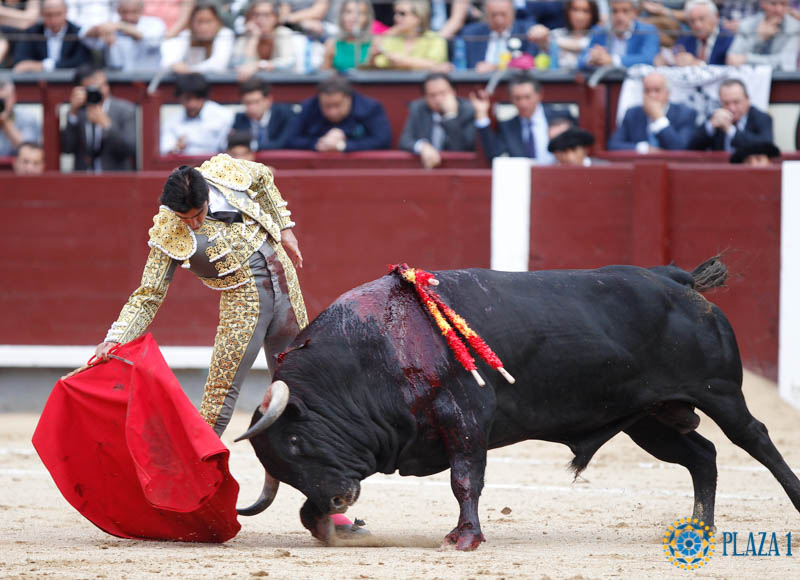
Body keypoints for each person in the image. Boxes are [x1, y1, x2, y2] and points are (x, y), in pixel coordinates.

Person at [94, 155, 307, 436]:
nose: (193, 224)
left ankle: (305, 466)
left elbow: (264, 177)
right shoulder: (170, 230)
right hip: (243, 302)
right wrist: (116, 338)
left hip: (285, 282)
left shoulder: (224, 173)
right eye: (186, 218)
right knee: (219, 397)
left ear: (207, 196)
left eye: (198, 214)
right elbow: (149, 294)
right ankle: (195, 473)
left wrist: (285, 228)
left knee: (301, 382)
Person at [61, 65, 137, 172]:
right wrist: (73, 113)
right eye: (92, 88)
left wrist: (108, 125)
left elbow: (130, 149)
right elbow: (67, 148)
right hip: (83, 180)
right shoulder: (78, 111)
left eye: (102, 85)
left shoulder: (126, 110)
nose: (100, 91)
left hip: (115, 180)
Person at [285, 75, 392, 151]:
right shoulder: (308, 106)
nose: (332, 112)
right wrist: (318, 143)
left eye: (337, 105)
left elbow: (382, 141)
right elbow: (289, 139)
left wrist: (342, 146)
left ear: (349, 98)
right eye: (326, 106)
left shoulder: (370, 108)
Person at [469, 72, 554, 163]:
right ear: (511, 99)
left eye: (527, 97)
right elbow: (493, 153)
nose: (523, 103)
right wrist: (482, 114)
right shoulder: (507, 127)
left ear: (539, 95)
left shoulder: (560, 117)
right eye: (517, 98)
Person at [398, 72, 475, 169]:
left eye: (443, 93)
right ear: (425, 97)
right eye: (432, 95)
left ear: (453, 92)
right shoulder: (418, 108)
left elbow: (461, 149)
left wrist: (450, 117)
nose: (438, 99)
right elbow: (405, 141)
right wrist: (423, 146)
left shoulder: (468, 110)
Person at [607, 72, 696, 152]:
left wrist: (659, 118)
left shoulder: (685, 113)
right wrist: (644, 148)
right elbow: (613, 145)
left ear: (668, 94)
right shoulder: (632, 113)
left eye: (657, 90)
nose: (652, 95)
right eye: (647, 91)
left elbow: (679, 148)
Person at [688, 78, 773, 151]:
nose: (732, 108)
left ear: (747, 99)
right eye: (726, 103)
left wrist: (730, 130)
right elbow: (691, 147)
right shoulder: (716, 116)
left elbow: (767, 146)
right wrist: (710, 125)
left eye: (736, 102)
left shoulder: (762, 118)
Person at [79, 0, 166, 72]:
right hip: (119, 82)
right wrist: (100, 30)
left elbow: (153, 42)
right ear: (118, 10)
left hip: (147, 79)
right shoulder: (111, 26)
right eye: (124, 12)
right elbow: (83, 36)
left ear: (141, 10)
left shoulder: (154, 23)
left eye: (134, 12)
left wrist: (121, 27)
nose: (129, 17)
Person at [160, 73, 234, 155]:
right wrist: (176, 148)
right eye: (187, 98)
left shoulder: (224, 115)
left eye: (197, 98)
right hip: (182, 166)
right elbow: (165, 151)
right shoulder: (171, 121)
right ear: (179, 98)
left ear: (205, 97)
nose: (193, 104)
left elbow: (230, 149)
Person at [369, 0, 449, 71]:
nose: (396, 17)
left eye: (402, 14)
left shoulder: (434, 38)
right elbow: (379, 67)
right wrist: (372, 57)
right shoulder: (391, 38)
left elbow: (438, 66)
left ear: (419, 16)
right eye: (395, 13)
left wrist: (403, 60)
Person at [12, 0, 92, 71]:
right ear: (42, 14)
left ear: (66, 12)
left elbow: (82, 62)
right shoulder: (32, 32)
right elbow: (20, 62)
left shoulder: (77, 33)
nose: (53, 20)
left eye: (58, 14)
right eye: (49, 15)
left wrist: (45, 66)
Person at [578, 0, 660, 69]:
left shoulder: (648, 31)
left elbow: (649, 59)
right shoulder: (599, 31)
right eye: (614, 11)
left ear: (634, 13)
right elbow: (581, 60)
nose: (619, 16)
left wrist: (612, 60)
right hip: (606, 83)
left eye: (625, 11)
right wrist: (592, 58)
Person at [161, 0, 235, 73]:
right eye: (199, 21)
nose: (204, 27)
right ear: (191, 23)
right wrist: (174, 64)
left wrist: (188, 69)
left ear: (218, 22)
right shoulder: (186, 34)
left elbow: (218, 65)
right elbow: (168, 62)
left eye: (208, 21)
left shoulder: (225, 34)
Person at [459, 0, 534, 72]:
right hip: (480, 82)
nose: (499, 20)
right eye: (493, 15)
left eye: (503, 14)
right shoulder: (471, 34)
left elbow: (530, 64)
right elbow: (461, 65)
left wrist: (495, 67)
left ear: (513, 13)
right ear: (486, 14)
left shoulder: (527, 31)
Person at [726, 0, 800, 71]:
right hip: (748, 79)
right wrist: (758, 38)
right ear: (763, 3)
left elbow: (786, 63)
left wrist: (746, 59)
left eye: (783, 4)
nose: (779, 9)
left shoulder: (795, 27)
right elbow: (731, 60)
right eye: (773, 4)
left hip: (781, 81)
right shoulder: (747, 24)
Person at [232, 0, 297, 80]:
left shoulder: (283, 33)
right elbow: (240, 66)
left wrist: (259, 65)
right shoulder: (246, 35)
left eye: (266, 15)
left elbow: (289, 63)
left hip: (281, 84)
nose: (260, 19)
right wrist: (253, 38)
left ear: (276, 18)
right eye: (256, 15)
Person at [527, 0, 600, 70]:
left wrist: (549, 39)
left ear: (593, 14)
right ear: (567, 11)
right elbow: (543, 44)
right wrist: (538, 31)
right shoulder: (558, 33)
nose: (579, 16)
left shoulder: (598, 35)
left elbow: (581, 45)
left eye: (586, 11)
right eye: (575, 10)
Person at [230, 77, 296, 151]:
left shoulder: (285, 115)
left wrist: (252, 146)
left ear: (268, 100)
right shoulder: (240, 119)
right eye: (247, 102)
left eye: (256, 102)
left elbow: (284, 143)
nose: (252, 108)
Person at [670, 0, 732, 66]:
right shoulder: (685, 39)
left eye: (701, 19)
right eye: (692, 21)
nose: (697, 25)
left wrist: (699, 64)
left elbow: (730, 70)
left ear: (715, 16)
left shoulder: (728, 38)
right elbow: (675, 55)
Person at [321, 0, 373, 72]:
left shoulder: (374, 44)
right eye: (348, 12)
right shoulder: (332, 44)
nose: (353, 18)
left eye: (360, 13)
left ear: (367, 18)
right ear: (341, 15)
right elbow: (324, 77)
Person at [0, 75, 41, 157]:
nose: (2, 104)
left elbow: (29, 152)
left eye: (5, 100)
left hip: (19, 169)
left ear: (14, 98)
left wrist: (5, 123)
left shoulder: (27, 117)